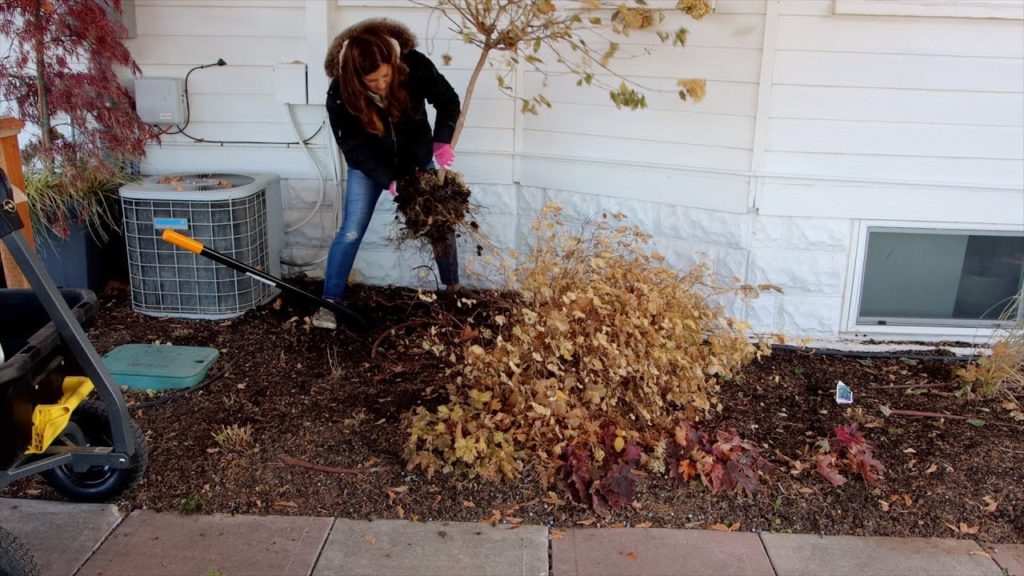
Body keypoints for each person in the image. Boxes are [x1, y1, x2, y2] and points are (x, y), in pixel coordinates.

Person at [315, 18, 462, 330]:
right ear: (356, 79)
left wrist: (441, 140)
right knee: (351, 231)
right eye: (372, 82)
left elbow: (447, 100)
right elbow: (353, 147)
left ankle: (452, 293)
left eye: (385, 76)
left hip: (416, 160)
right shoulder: (340, 94)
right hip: (369, 167)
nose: (381, 85)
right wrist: (389, 181)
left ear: (394, 63)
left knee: (439, 223)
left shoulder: (414, 66)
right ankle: (329, 303)